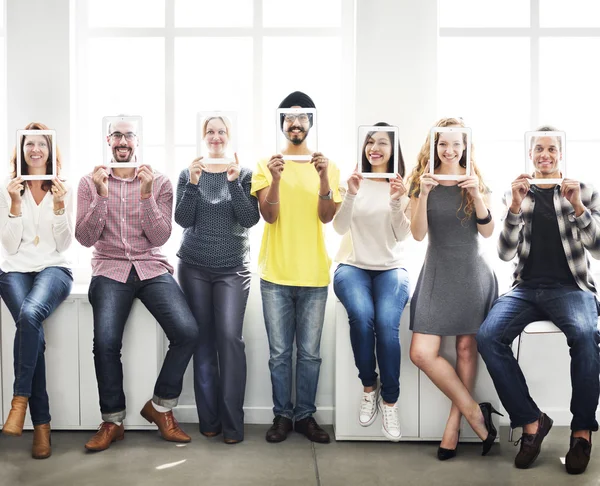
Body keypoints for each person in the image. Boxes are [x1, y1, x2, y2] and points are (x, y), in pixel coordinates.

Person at [477, 126, 600, 475]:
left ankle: (581, 431)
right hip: (526, 288)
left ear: (560, 154)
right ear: (530, 155)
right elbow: (503, 253)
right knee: (488, 336)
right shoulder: (518, 192)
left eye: (551, 149)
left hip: (571, 288)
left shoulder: (583, 191)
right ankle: (531, 422)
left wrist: (578, 207)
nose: (544, 155)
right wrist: (514, 207)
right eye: (538, 150)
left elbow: (598, 248)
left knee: (586, 337)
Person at [75, 117, 200, 452]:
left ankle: (160, 408)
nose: (123, 141)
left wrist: (146, 196)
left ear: (138, 141)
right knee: (104, 342)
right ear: (108, 140)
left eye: (129, 135)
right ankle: (112, 421)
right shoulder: (90, 182)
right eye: (117, 135)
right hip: (109, 268)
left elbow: (160, 236)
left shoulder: (158, 182)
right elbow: (85, 238)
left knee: (187, 331)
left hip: (150, 266)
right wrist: (101, 196)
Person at [251, 91, 341, 443]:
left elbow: (327, 217)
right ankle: (281, 417)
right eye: (290, 117)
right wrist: (274, 179)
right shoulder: (266, 165)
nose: (296, 122)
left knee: (311, 355)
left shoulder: (328, 166)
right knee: (279, 355)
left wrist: (322, 178)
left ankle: (305, 416)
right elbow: (269, 216)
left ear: (310, 123)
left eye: (303, 117)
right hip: (275, 274)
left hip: (315, 275)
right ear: (282, 124)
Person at [408, 117, 500, 459]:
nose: (449, 150)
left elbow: (488, 233)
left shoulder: (475, 180)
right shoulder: (421, 182)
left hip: (472, 273)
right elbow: (418, 234)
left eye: (456, 144)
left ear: (465, 146)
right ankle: (478, 413)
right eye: (442, 144)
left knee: (465, 348)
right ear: (434, 146)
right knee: (421, 353)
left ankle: (454, 422)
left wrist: (476, 194)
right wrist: (425, 194)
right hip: (436, 271)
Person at [175, 121, 260, 444]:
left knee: (230, 340)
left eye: (221, 131)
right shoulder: (189, 173)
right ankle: (209, 421)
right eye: (210, 131)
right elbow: (183, 220)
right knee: (204, 342)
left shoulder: (245, 173)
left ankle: (233, 425)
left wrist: (235, 183)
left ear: (229, 137)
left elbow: (249, 219)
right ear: (203, 137)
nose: (215, 136)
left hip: (232, 269)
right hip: (194, 266)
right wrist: (194, 184)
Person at [333, 122, 411, 442]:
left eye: (382, 143)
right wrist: (351, 194)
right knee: (362, 317)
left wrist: (396, 200)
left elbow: (403, 235)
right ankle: (370, 386)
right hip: (352, 266)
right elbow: (338, 228)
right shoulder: (352, 182)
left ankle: (389, 401)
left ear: (393, 150)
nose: (375, 148)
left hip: (392, 268)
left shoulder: (401, 187)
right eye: (370, 142)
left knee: (387, 323)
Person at [0, 122, 73, 459]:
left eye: (41, 144)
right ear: (22, 150)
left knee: (30, 315)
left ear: (49, 149)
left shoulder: (62, 187)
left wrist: (59, 207)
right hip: (14, 269)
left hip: (53, 268)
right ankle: (42, 428)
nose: (35, 150)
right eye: (29, 144)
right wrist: (14, 203)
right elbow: (9, 246)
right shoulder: (9, 187)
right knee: (34, 336)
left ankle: (19, 402)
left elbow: (64, 243)